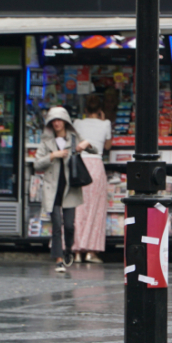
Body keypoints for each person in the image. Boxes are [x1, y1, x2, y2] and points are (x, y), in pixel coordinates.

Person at [33, 107, 96, 273]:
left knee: (69, 225)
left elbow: (94, 150)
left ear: (66, 122)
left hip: (70, 188)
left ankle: (68, 249)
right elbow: (37, 163)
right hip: (52, 188)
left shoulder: (73, 138)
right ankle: (59, 259)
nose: (57, 123)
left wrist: (86, 144)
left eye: (59, 120)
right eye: (53, 120)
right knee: (56, 225)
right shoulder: (46, 141)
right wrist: (53, 156)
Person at [73, 96, 112, 263]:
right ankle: (91, 251)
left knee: (77, 208)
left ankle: (75, 251)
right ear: (100, 110)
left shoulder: (77, 123)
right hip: (96, 166)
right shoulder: (106, 124)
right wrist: (103, 121)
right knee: (95, 210)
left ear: (85, 111)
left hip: (79, 166)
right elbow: (108, 146)